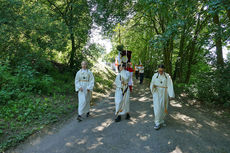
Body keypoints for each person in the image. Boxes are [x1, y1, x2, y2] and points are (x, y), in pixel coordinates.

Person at [150, 64, 175, 130]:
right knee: (157, 108)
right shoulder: (155, 76)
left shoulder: (167, 76)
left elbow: (170, 85)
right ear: (158, 70)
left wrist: (171, 95)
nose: (160, 72)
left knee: (164, 107)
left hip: (164, 93)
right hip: (157, 93)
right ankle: (157, 122)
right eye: (159, 70)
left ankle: (161, 120)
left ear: (164, 70)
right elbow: (152, 83)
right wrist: (153, 89)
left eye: (161, 70)